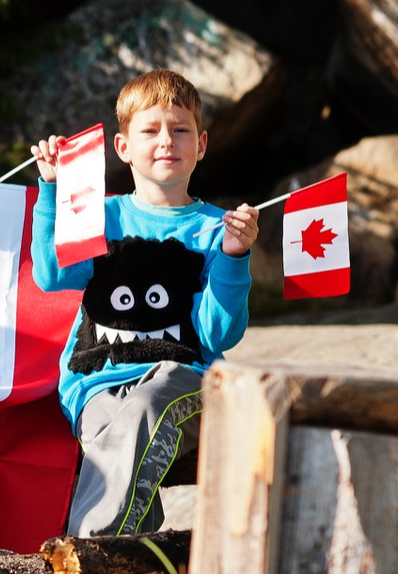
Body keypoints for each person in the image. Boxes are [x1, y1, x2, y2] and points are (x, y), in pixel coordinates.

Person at [29, 69, 258, 537]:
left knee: (163, 386)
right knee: (120, 427)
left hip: (186, 384)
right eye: (150, 131)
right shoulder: (100, 216)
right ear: (123, 148)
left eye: (180, 130)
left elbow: (220, 333)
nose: (166, 142)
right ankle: (138, 558)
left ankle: (92, 546)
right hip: (97, 386)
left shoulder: (218, 229)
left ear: (202, 144)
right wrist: (52, 189)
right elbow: (53, 276)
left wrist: (235, 259)